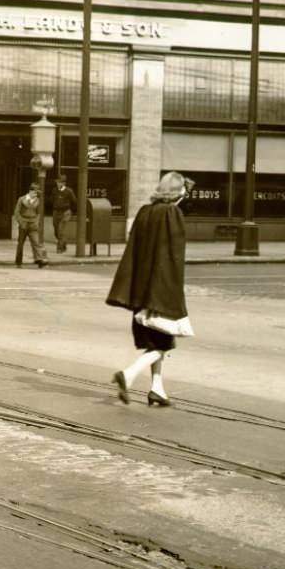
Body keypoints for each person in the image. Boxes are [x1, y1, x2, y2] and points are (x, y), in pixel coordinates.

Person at [105, 172, 192, 407]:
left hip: (141, 288)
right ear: (177, 192)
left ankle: (157, 389)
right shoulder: (172, 213)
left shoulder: (145, 212)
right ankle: (128, 374)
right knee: (162, 343)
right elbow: (172, 257)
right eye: (183, 190)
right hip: (160, 289)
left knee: (156, 341)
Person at [13, 182, 48, 269]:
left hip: (33, 224)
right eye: (35, 193)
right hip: (23, 223)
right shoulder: (21, 199)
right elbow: (16, 213)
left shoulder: (37, 201)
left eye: (37, 193)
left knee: (36, 242)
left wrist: (36, 222)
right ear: (30, 191)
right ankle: (18, 262)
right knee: (20, 243)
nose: (36, 195)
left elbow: (39, 214)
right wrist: (21, 222)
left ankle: (39, 260)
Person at [51, 173, 77, 254]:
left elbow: (74, 202)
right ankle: (64, 243)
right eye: (57, 182)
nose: (58, 184)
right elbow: (51, 200)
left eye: (60, 182)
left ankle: (59, 248)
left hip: (65, 212)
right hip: (56, 212)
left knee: (60, 230)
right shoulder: (54, 190)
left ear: (64, 183)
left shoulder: (69, 191)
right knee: (56, 231)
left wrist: (72, 211)